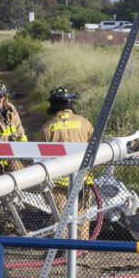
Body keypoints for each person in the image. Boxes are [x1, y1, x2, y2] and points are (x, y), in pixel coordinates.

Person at [38, 86, 94, 238]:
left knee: (60, 217)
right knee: (81, 216)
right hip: (82, 181)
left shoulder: (47, 128)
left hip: (57, 183)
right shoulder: (85, 123)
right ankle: (81, 251)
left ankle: (59, 250)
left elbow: (40, 157)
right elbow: (95, 151)